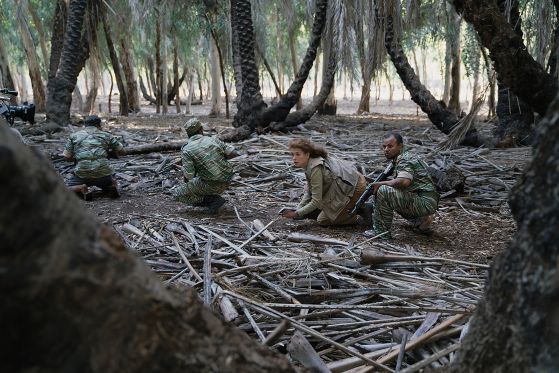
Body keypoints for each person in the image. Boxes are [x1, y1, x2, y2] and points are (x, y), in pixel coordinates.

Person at [364, 132, 439, 239]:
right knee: (394, 193)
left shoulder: (404, 159)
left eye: (390, 146)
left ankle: (381, 232)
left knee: (384, 191)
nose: (386, 149)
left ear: (400, 146)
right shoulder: (403, 157)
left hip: (425, 201)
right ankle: (422, 220)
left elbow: (404, 181)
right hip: (426, 199)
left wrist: (381, 184)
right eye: (384, 146)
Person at [281, 138, 372, 226]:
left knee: (323, 220)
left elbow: (316, 201)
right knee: (317, 211)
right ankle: (348, 208)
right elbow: (310, 192)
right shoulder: (309, 164)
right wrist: (298, 209)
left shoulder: (315, 167)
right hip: (342, 184)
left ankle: (358, 212)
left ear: (307, 154)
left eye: (297, 154)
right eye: (292, 154)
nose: (294, 158)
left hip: (354, 185)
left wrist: (296, 214)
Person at [173, 118, 239, 214]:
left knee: (177, 194)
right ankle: (211, 198)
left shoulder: (187, 149)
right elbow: (233, 153)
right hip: (228, 179)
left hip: (211, 184)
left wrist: (187, 165)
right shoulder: (213, 139)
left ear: (188, 134)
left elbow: (189, 177)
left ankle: (213, 201)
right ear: (200, 130)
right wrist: (216, 159)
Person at [63, 115, 124, 200]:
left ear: (85, 125)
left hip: (82, 174)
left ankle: (80, 187)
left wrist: (78, 158)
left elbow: (66, 156)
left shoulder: (74, 136)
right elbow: (121, 150)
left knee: (66, 189)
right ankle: (112, 185)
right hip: (103, 173)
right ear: (99, 125)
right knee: (108, 180)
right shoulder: (107, 135)